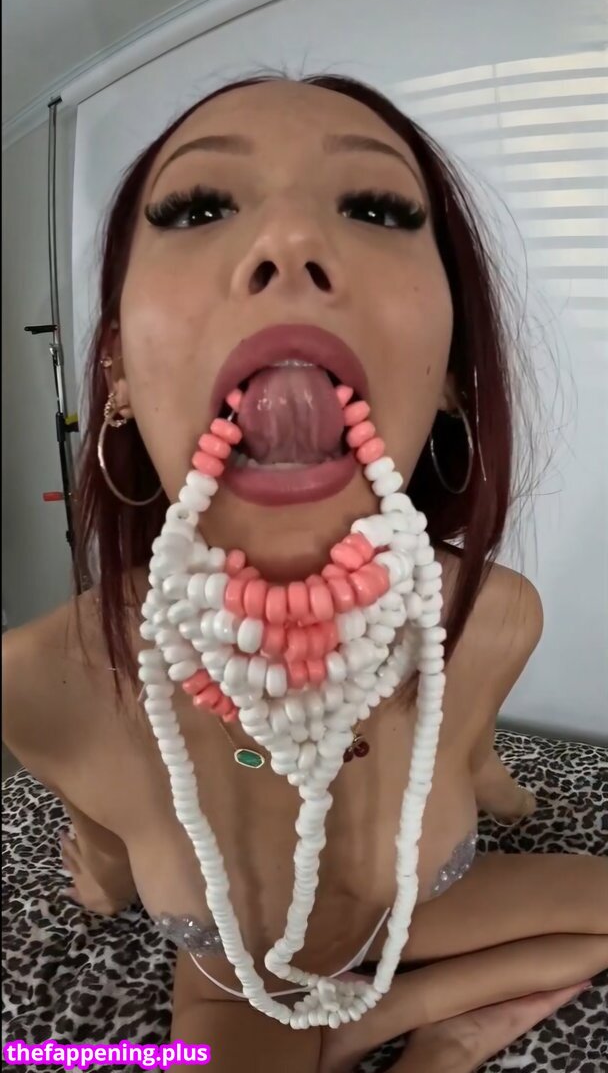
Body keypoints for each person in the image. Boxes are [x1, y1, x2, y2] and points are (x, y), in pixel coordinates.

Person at [3, 73, 606, 1073]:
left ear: (452, 375)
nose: (288, 242)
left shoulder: (493, 618)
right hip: (237, 980)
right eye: (199, 207)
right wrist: (104, 875)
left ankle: (397, 1027)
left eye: (377, 208)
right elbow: (101, 854)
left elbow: (472, 762)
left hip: (425, 920)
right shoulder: (35, 680)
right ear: (115, 373)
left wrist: (492, 796)